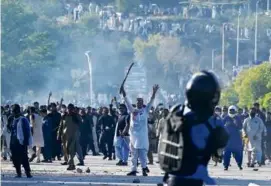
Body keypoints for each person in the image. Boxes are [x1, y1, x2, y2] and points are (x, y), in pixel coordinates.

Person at [159, 71, 229, 186]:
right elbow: (217, 150)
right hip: (194, 181)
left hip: (170, 179)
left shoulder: (177, 113)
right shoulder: (209, 123)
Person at [120, 84, 159, 176]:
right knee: (133, 155)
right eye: (137, 102)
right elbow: (126, 101)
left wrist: (154, 92)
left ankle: (144, 169)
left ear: (142, 103)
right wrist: (123, 92)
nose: (139, 103)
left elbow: (151, 101)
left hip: (142, 137)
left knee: (142, 155)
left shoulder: (145, 110)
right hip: (133, 137)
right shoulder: (133, 110)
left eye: (140, 102)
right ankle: (133, 170)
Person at [7, 104, 32, 178]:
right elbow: (9, 129)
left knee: (24, 158)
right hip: (13, 142)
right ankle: (18, 173)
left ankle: (28, 173)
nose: (12, 113)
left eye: (13, 111)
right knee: (15, 158)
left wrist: (26, 142)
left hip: (21, 142)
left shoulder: (23, 119)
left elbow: (27, 131)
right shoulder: (12, 119)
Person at [223, 105, 243, 170]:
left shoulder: (238, 118)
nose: (231, 112)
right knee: (226, 154)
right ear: (229, 111)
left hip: (236, 139)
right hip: (227, 140)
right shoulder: (226, 118)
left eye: (233, 111)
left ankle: (239, 164)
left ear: (235, 111)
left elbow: (241, 128)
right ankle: (226, 166)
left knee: (238, 154)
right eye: (230, 110)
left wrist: (236, 124)